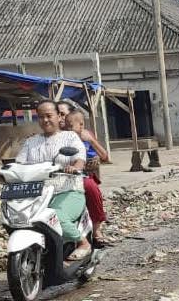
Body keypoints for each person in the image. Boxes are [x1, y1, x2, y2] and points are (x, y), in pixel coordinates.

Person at [13, 100, 92, 261]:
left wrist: (74, 167)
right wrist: (3, 172)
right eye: (41, 117)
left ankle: (83, 243)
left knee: (56, 217)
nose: (45, 120)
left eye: (49, 115)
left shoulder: (69, 137)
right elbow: (19, 164)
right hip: (38, 193)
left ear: (58, 117)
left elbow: (80, 158)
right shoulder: (31, 142)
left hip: (68, 190)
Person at [65, 109, 111, 246]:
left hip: (81, 174)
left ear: (81, 125)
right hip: (61, 175)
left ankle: (96, 230)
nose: (67, 128)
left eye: (70, 125)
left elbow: (105, 157)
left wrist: (91, 140)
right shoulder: (61, 136)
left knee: (91, 188)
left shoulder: (86, 136)